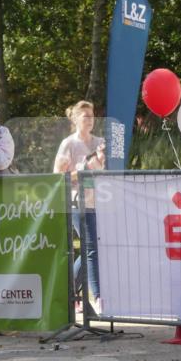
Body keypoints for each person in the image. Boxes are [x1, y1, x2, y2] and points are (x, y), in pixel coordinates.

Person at [53, 101, 106, 313]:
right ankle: (100, 299)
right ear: (75, 119)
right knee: (91, 247)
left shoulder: (99, 142)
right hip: (77, 202)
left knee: (91, 248)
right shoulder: (69, 144)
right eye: (85, 116)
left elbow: (106, 171)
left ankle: (69, 292)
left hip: (100, 201)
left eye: (92, 116)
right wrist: (82, 170)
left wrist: (103, 161)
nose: (89, 120)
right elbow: (59, 176)